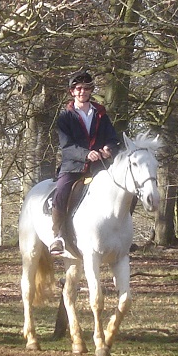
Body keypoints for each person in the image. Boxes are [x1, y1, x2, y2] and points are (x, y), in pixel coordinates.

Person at [50, 69, 121, 255]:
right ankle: (57, 235)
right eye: (78, 88)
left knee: (124, 189)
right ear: (72, 91)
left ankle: (121, 235)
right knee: (61, 191)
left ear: (91, 90)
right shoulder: (65, 117)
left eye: (86, 88)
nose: (82, 92)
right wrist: (86, 154)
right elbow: (66, 146)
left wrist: (108, 149)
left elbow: (113, 138)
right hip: (73, 167)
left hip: (99, 168)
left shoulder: (101, 114)